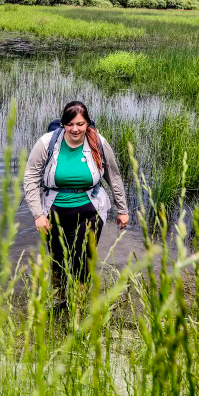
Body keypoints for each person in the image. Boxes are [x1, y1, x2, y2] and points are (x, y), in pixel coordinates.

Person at [23, 101, 129, 308]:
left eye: (80, 124)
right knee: (57, 259)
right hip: (53, 211)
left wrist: (122, 209)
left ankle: (78, 306)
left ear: (87, 124)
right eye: (70, 124)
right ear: (63, 124)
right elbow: (31, 177)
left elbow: (113, 177)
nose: (75, 129)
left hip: (89, 211)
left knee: (83, 260)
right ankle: (59, 298)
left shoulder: (98, 142)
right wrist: (38, 214)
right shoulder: (47, 143)